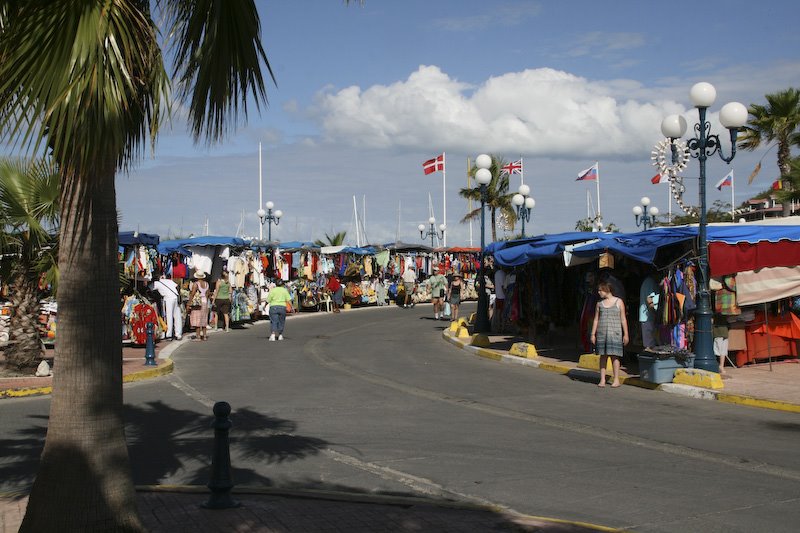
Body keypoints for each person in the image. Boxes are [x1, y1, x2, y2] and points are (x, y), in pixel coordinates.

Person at [590, 281, 629, 388]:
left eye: (600, 290)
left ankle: (616, 379)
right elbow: (596, 320)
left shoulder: (619, 302)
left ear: (607, 290)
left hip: (615, 332)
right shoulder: (599, 304)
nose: (599, 292)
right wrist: (593, 334)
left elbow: (623, 319)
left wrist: (626, 334)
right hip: (602, 333)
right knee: (603, 356)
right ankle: (602, 379)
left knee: (615, 356)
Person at [152, 270, 182, 340]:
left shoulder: (157, 283)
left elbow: (150, 289)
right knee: (177, 316)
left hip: (168, 299)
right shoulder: (168, 281)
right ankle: (178, 334)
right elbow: (177, 286)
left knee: (169, 316)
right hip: (175, 297)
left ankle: (169, 334)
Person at [187, 271, 210, 341]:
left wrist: (189, 302)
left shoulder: (196, 284)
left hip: (198, 303)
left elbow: (193, 293)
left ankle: (198, 336)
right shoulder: (206, 284)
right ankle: (205, 335)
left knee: (197, 319)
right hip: (205, 301)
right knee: (204, 318)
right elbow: (207, 293)